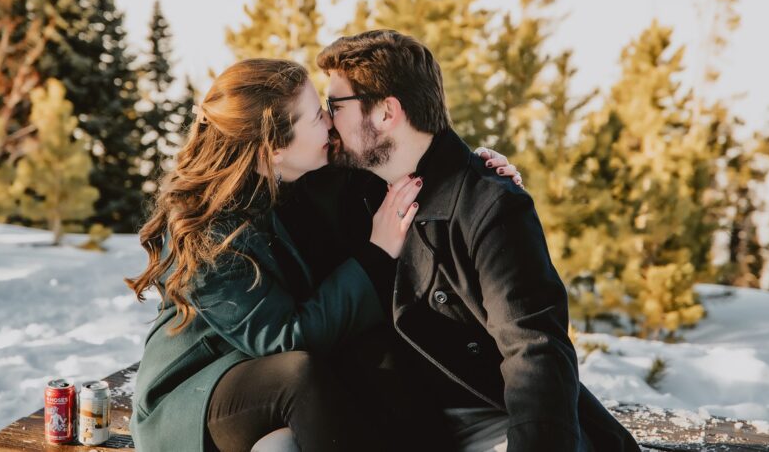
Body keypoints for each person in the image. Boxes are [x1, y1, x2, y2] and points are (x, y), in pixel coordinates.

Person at [125, 58, 521, 452]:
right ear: (274, 149)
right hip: (199, 392)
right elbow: (283, 338)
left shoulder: (304, 178)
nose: (330, 123)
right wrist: (376, 254)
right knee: (297, 375)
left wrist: (473, 175)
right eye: (317, 116)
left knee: (378, 352)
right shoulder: (207, 232)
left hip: (273, 367)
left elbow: (397, 166)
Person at [303, 29, 641, 452]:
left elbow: (534, 348)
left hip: (487, 416)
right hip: (394, 415)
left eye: (336, 106)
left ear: (387, 113)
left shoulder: (489, 205)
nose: (327, 120)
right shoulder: (357, 185)